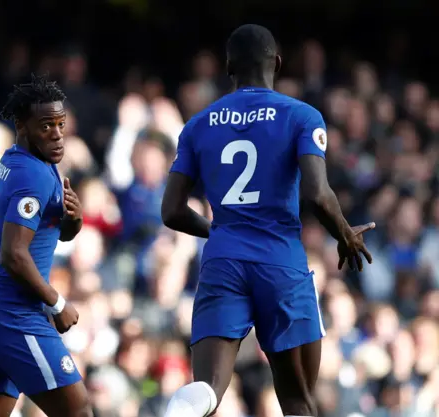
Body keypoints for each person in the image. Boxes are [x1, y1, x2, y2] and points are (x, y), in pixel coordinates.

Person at [160, 24, 375, 417]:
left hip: (223, 261)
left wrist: (221, 232)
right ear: (276, 62)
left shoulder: (198, 125)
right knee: (296, 401)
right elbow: (318, 194)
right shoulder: (301, 116)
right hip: (280, 262)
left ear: (228, 67)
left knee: (207, 387)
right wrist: (346, 235)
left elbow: (171, 211)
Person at [0, 74, 92, 417]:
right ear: (21, 124)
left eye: (61, 123)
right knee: (77, 410)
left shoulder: (19, 160)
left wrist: (72, 220)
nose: (57, 133)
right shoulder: (33, 175)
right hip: (13, 314)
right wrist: (57, 303)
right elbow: (14, 255)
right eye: (46, 125)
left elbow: (47, 235)